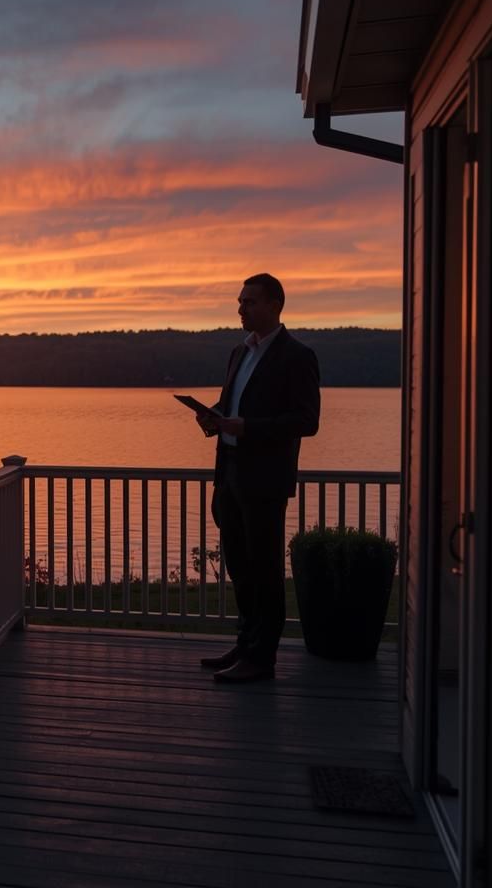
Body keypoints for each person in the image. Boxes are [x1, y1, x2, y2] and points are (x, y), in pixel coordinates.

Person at [193, 273, 320, 683]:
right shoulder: (238, 352)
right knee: (239, 566)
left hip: (264, 481)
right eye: (240, 301)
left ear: (275, 306)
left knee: (265, 570)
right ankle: (246, 642)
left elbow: (306, 421)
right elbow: (235, 403)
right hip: (230, 475)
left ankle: (262, 659)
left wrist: (247, 427)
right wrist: (214, 417)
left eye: (249, 302)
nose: (241, 308)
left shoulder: (297, 356)